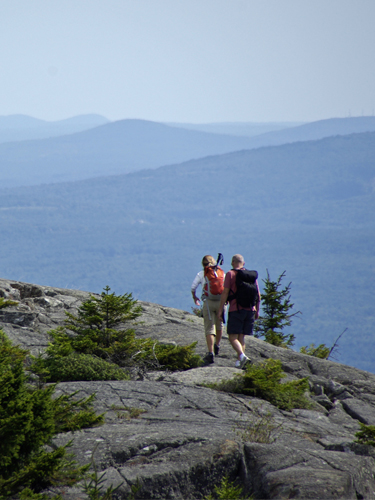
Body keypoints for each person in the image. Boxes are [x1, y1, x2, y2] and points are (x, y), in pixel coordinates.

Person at [218, 254, 261, 369]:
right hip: (250, 310)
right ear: (244, 263)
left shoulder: (230, 274)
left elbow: (225, 293)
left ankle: (242, 356)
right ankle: (239, 362)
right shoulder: (251, 275)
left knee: (232, 337)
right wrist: (257, 310)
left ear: (232, 263)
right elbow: (258, 295)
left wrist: (220, 310)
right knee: (241, 337)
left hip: (236, 309)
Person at [191, 255, 224, 364]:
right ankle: (217, 346)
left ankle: (210, 353)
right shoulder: (221, 273)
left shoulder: (202, 274)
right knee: (219, 325)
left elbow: (193, 287)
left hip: (208, 302)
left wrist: (194, 297)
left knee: (210, 327)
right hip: (221, 303)